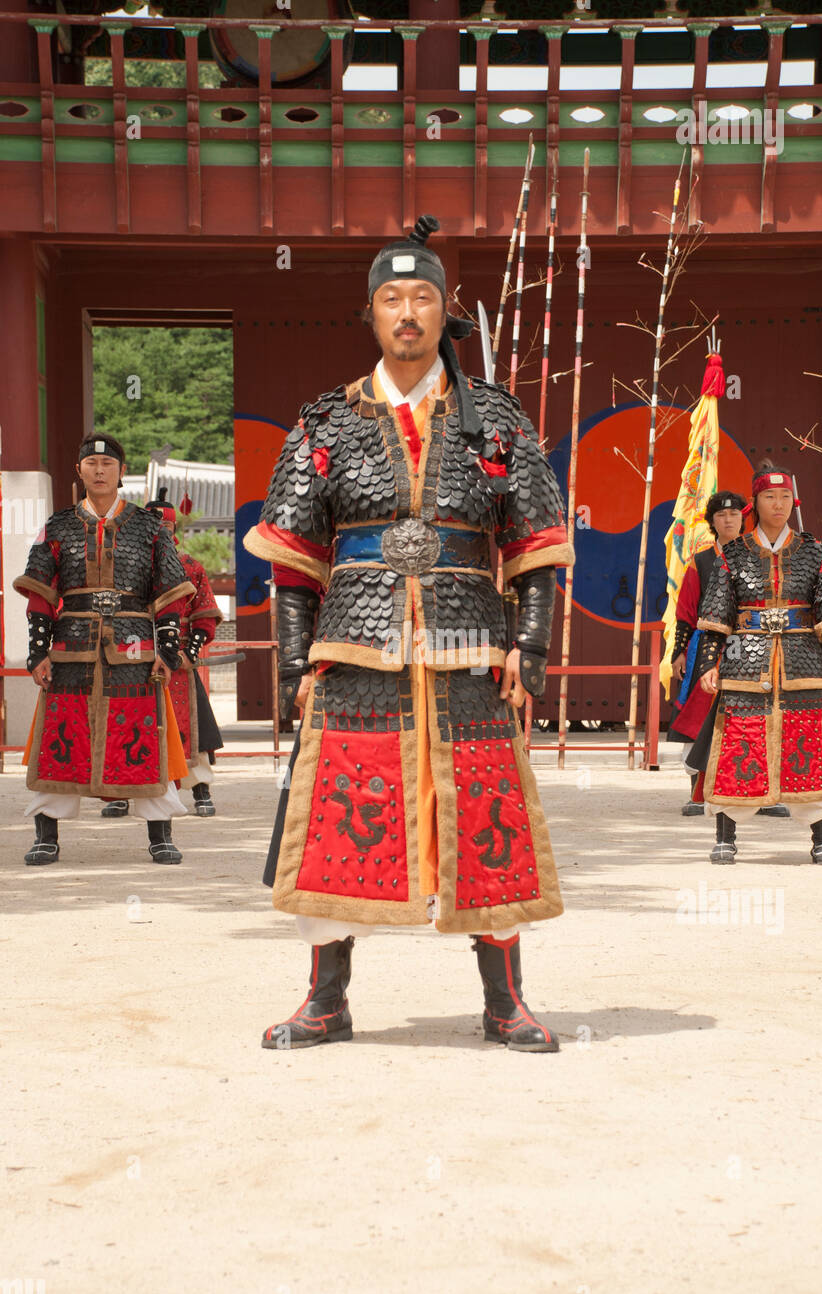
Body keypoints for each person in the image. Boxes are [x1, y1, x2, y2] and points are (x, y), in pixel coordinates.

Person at [243, 215, 574, 1053]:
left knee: (487, 812)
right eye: (391, 298)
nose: (407, 312)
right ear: (371, 314)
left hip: (471, 642)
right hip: (355, 644)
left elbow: (537, 547)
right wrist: (292, 663)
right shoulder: (324, 423)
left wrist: (528, 649)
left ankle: (507, 1004)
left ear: (444, 311)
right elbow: (292, 561)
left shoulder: (495, 420)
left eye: (423, 296)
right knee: (338, 814)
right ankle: (326, 1000)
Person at [14, 432, 194, 866]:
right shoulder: (56, 527)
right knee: (60, 734)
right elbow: (40, 595)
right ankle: (46, 836)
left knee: (144, 733)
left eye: (107, 465)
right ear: (79, 471)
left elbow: (169, 592)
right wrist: (38, 653)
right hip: (70, 644)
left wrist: (167, 651)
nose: (99, 471)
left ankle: (160, 835)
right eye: (91, 465)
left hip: (133, 644)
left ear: (121, 472)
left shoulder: (150, 527)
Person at [686, 460, 822, 864]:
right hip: (745, 658)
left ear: (791, 501)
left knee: (811, 745)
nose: (777, 505)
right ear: (755, 504)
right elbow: (716, 614)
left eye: (783, 497)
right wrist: (710, 663)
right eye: (768, 497)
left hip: (803, 660)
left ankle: (821, 838)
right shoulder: (733, 554)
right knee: (735, 743)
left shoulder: (815, 553)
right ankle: (725, 835)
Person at [665, 490, 792, 817]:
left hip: (752, 648)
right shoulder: (702, 561)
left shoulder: (760, 557)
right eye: (721, 515)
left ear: (743, 519)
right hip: (708, 652)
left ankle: (763, 794)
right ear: (712, 522)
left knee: (757, 718)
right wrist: (678, 652)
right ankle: (698, 794)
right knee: (700, 721)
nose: (729, 519)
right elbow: (686, 612)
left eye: (735, 514)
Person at [101, 489, 224, 819]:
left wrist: (189, 653)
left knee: (190, 730)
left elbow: (205, 614)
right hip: (133, 656)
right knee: (127, 724)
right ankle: (120, 793)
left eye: (164, 530)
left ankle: (200, 790)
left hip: (179, 659)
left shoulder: (191, 567)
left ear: (173, 532)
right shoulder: (125, 566)